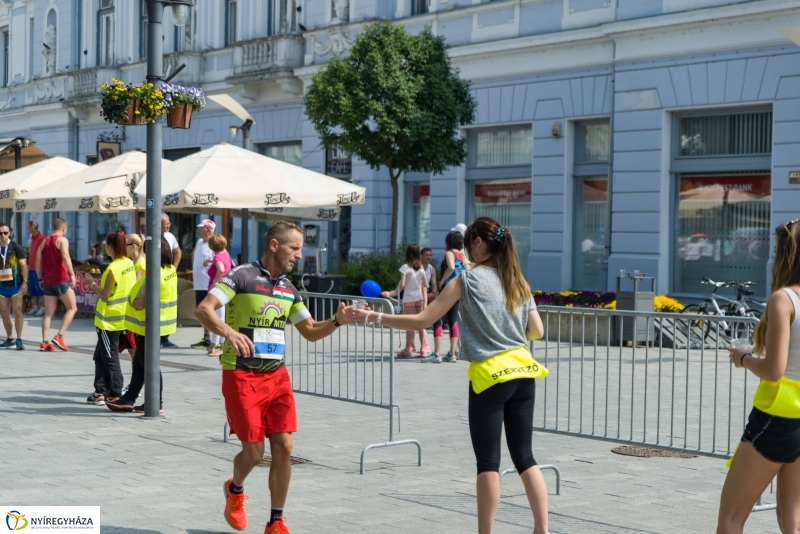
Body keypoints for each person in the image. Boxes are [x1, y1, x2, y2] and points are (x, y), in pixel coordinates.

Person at [355, 217, 549, 534]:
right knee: (525, 457)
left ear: (476, 243)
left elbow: (421, 320)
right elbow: (537, 331)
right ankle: (542, 529)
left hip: (490, 376)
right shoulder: (518, 281)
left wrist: (372, 317)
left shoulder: (465, 280)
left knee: (488, 463)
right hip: (524, 374)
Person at [195, 221, 357, 534]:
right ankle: (236, 489)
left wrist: (336, 321)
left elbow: (309, 331)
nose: (299, 254)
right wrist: (228, 332)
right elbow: (204, 309)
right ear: (274, 245)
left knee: (284, 446)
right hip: (242, 375)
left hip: (277, 377)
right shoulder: (241, 275)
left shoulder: (288, 289)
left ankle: (276, 521)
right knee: (254, 454)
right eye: (294, 248)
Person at [718, 219, 800, 534]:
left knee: (731, 519)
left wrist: (744, 358)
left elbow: (774, 371)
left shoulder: (784, 299)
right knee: (791, 523)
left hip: (776, 417)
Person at [108, 237, 177, 413]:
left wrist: (132, 302)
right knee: (141, 361)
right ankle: (129, 398)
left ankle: (155, 402)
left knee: (149, 364)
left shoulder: (154, 274)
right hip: (164, 324)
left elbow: (142, 303)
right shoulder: (170, 270)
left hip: (151, 326)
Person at [83, 230, 136, 407]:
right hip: (122, 316)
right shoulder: (129, 263)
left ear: (112, 246)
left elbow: (105, 294)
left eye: (107, 245)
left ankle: (114, 392)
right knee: (100, 355)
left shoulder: (113, 268)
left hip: (108, 319)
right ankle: (100, 390)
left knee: (109, 356)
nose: (106, 248)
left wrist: (91, 284)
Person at [423, 231, 467, 364]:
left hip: (448, 289)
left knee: (437, 319)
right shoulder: (461, 255)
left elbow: (451, 267)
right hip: (457, 290)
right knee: (453, 321)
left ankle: (436, 354)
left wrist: (442, 281)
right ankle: (451, 354)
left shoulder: (450, 253)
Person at [36, 217, 78, 352]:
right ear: (64, 229)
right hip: (61, 279)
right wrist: (72, 275)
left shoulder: (44, 241)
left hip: (47, 281)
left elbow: (37, 261)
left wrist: (39, 279)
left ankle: (44, 342)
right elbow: (66, 257)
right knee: (72, 308)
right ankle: (59, 336)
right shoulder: (62, 240)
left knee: (48, 313)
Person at [381, 244, 428, 359]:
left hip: (408, 298)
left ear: (407, 253)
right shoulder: (421, 268)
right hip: (419, 298)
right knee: (420, 323)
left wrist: (390, 293)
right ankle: (423, 349)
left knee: (409, 325)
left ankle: (408, 350)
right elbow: (425, 284)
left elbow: (401, 285)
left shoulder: (405, 267)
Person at [0, 224, 28, 350]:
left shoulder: (16, 247)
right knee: (4, 313)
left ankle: (19, 339)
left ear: (9, 233)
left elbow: (23, 266)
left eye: (5, 233)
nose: (3, 235)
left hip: (16, 285)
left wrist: (25, 282)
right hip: (1, 286)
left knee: (17, 311)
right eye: (0, 233)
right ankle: (10, 337)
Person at [191, 219, 216, 350]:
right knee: (200, 311)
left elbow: (221, 260)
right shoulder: (200, 242)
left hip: (208, 284)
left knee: (209, 312)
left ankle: (213, 339)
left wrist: (210, 262)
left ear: (208, 230)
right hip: (199, 284)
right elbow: (194, 254)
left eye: (201, 228)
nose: (199, 231)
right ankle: (207, 337)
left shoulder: (214, 243)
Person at [206, 233, 232, 357]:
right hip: (225, 288)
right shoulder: (226, 254)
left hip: (217, 290)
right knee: (220, 318)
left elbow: (221, 269)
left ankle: (215, 346)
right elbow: (230, 266)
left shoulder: (217, 257)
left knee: (217, 319)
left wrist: (216, 281)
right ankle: (219, 345)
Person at [160, 214, 181, 348]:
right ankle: (157, 337)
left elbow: (178, 252)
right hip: (157, 273)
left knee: (168, 305)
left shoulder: (170, 236)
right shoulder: (150, 236)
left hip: (167, 272)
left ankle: (165, 338)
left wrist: (174, 268)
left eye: (169, 223)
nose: (168, 225)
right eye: (165, 223)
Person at [26, 220, 45, 317]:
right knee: (32, 288)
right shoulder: (33, 238)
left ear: (33, 227)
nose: (27, 228)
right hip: (31, 267)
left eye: (28, 227)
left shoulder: (41, 238)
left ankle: (43, 307)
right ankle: (35, 306)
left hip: (39, 268)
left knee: (39, 288)